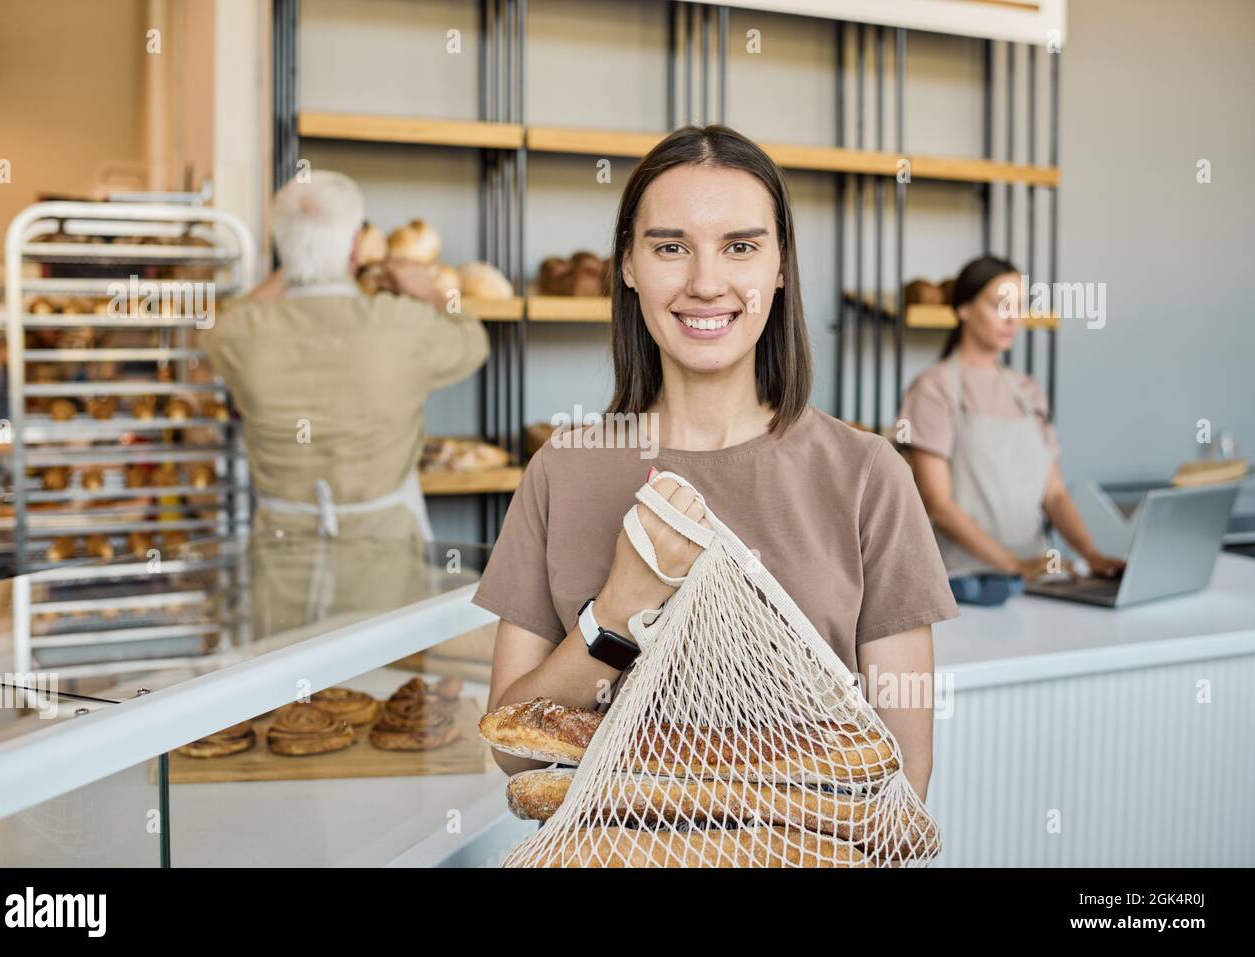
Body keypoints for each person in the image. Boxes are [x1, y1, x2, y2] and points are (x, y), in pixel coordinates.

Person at [471, 125, 959, 802]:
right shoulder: (563, 468)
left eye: (740, 247)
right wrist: (620, 608)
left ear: (780, 267)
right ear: (629, 266)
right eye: (671, 247)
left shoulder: (868, 475)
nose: (706, 282)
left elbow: (903, 778)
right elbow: (512, 750)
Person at [202, 170, 489, 548]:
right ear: (356, 247)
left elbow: (223, 321)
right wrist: (426, 293)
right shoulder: (401, 323)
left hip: (282, 551)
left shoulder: (239, 333)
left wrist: (298, 260)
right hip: (385, 552)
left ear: (284, 245)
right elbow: (472, 338)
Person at [896, 255, 1125, 606]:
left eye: (1018, 305)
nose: (1012, 317)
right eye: (999, 305)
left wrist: (1092, 555)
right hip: (963, 583)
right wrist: (1013, 565)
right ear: (964, 309)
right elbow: (936, 502)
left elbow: (1055, 495)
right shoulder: (933, 388)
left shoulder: (1028, 390)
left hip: (1039, 582)